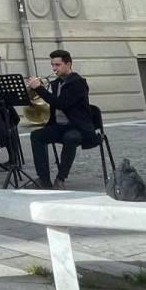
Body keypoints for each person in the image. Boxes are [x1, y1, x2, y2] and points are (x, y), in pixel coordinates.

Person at [28, 50, 95, 189]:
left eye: (57, 65)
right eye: (52, 65)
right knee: (36, 136)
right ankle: (44, 180)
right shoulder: (56, 83)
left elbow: (61, 103)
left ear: (68, 64)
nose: (54, 68)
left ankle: (60, 179)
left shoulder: (78, 83)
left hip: (78, 127)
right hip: (61, 126)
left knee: (70, 138)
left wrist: (39, 88)